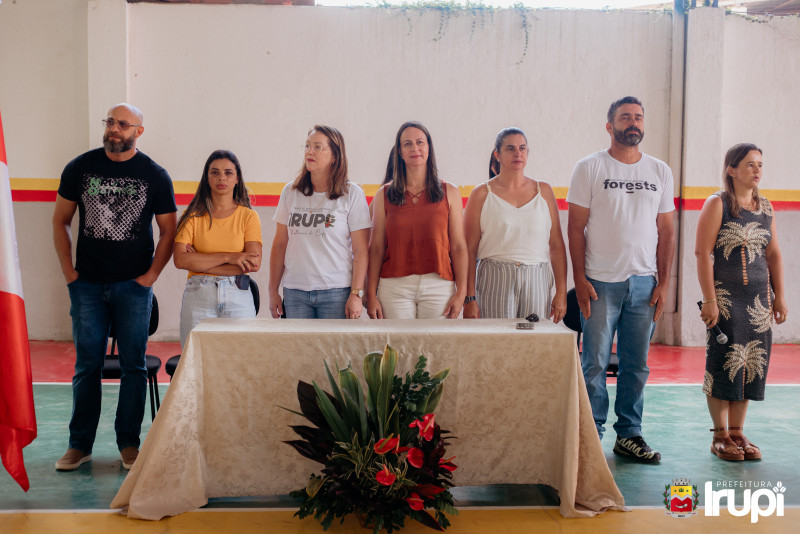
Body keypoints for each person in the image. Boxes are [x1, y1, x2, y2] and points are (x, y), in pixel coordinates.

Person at [52, 103, 177, 471]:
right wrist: (69, 274)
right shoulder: (80, 167)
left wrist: (150, 278)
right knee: (87, 365)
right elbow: (60, 221)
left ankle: (129, 444)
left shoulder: (154, 175)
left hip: (133, 287)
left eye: (123, 124)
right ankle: (79, 445)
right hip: (87, 286)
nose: (114, 129)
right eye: (110, 122)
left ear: (139, 131)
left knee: (133, 367)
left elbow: (169, 230)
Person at [566, 96, 675, 463]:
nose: (633, 122)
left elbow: (667, 231)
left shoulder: (660, 171)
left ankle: (629, 434)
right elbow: (575, 228)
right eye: (626, 117)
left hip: (644, 284)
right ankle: (591, 436)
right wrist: (580, 279)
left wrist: (663, 283)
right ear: (609, 125)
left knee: (636, 366)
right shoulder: (589, 167)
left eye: (639, 117)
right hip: (600, 284)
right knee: (594, 364)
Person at [695, 143, 787, 461]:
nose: (757, 170)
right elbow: (702, 254)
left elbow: (774, 255)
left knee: (750, 364)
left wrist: (779, 296)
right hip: (725, 299)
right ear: (731, 170)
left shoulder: (766, 208)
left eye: (760, 164)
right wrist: (710, 299)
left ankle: (737, 432)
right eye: (750, 164)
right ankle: (719, 435)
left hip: (759, 302)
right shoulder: (717, 204)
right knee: (724, 362)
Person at [463, 127, 567, 322]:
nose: (518, 153)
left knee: (534, 339)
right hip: (494, 276)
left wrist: (561, 292)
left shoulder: (544, 191)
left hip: (537, 277)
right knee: (497, 338)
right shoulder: (482, 194)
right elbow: (469, 250)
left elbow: (556, 245)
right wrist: (469, 297)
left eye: (522, 148)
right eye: (510, 148)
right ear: (497, 155)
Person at [367, 121, 468, 319]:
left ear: (429, 147)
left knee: (436, 341)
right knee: (398, 340)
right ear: (399, 152)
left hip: (439, 286)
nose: (415, 148)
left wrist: (461, 292)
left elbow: (458, 247)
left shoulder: (450, 192)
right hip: (394, 287)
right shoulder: (384, 195)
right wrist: (370, 294)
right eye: (407, 144)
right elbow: (376, 247)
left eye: (420, 142)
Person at [268, 125, 370, 319]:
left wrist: (356, 294)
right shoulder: (290, 192)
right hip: (295, 291)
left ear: (335, 156)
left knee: (334, 341)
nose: (310, 152)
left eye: (317, 147)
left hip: (336, 291)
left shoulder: (352, 194)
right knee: (298, 341)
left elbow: (361, 250)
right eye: (307, 146)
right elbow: (280, 243)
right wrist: (273, 290)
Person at [173, 150, 262, 348]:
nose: (222, 177)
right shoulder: (191, 216)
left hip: (238, 294)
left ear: (237, 178)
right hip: (198, 294)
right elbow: (180, 260)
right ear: (207, 177)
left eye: (228, 172)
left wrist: (199, 261)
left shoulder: (249, 216)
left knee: (241, 360)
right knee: (196, 359)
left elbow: (252, 264)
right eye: (215, 172)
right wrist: (230, 257)